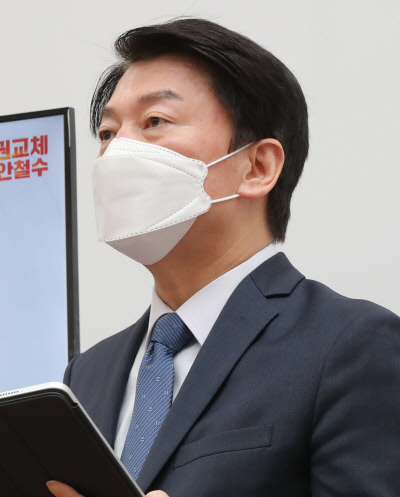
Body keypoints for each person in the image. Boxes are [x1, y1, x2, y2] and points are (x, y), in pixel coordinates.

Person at [47, 17, 400, 497]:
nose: (116, 154)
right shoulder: (86, 375)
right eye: (108, 133)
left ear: (257, 167)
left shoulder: (350, 345)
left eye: (154, 122)